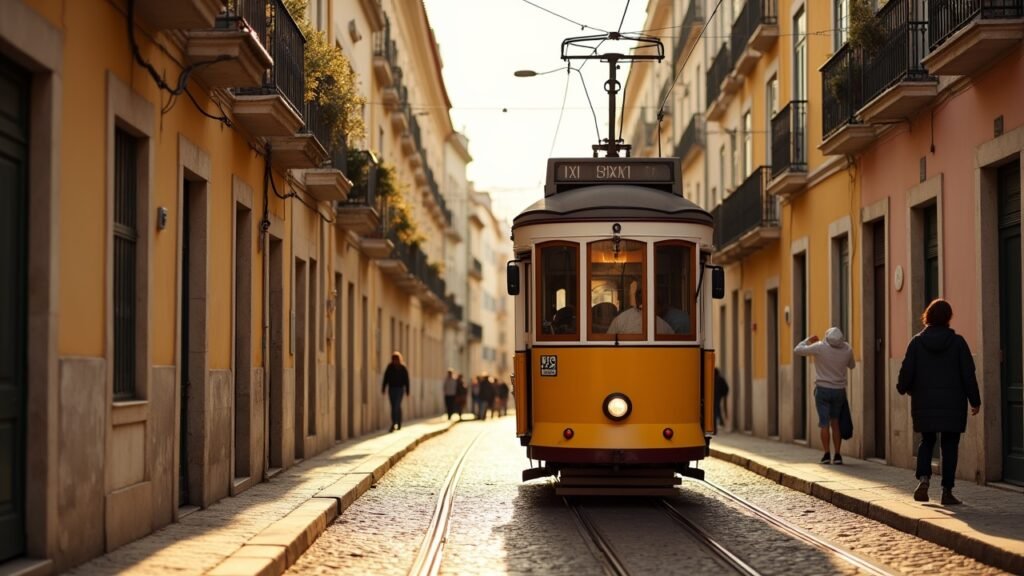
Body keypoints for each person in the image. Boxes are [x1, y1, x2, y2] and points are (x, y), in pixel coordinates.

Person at [897, 298, 981, 506]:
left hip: (924, 401)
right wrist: (975, 400)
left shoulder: (916, 342)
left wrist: (904, 388)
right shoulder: (958, 343)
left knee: (927, 440)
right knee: (950, 444)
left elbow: (907, 370)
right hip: (953, 403)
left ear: (928, 316)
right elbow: (968, 373)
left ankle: (924, 480)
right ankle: (947, 491)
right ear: (948, 318)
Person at [794, 327, 855, 465]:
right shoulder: (847, 349)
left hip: (822, 390)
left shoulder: (820, 347)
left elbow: (798, 349)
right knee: (836, 423)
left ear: (827, 337)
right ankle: (838, 455)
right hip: (839, 390)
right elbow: (852, 366)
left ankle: (827, 454)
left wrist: (808, 340)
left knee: (824, 423)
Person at [381, 351, 410, 431]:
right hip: (391, 389)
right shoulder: (390, 367)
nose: (395, 361)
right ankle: (394, 422)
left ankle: (398, 422)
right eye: (393, 360)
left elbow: (406, 380)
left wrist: (407, 391)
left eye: (396, 360)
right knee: (393, 406)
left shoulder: (403, 368)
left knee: (397, 406)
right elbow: (386, 377)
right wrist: (383, 388)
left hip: (400, 389)